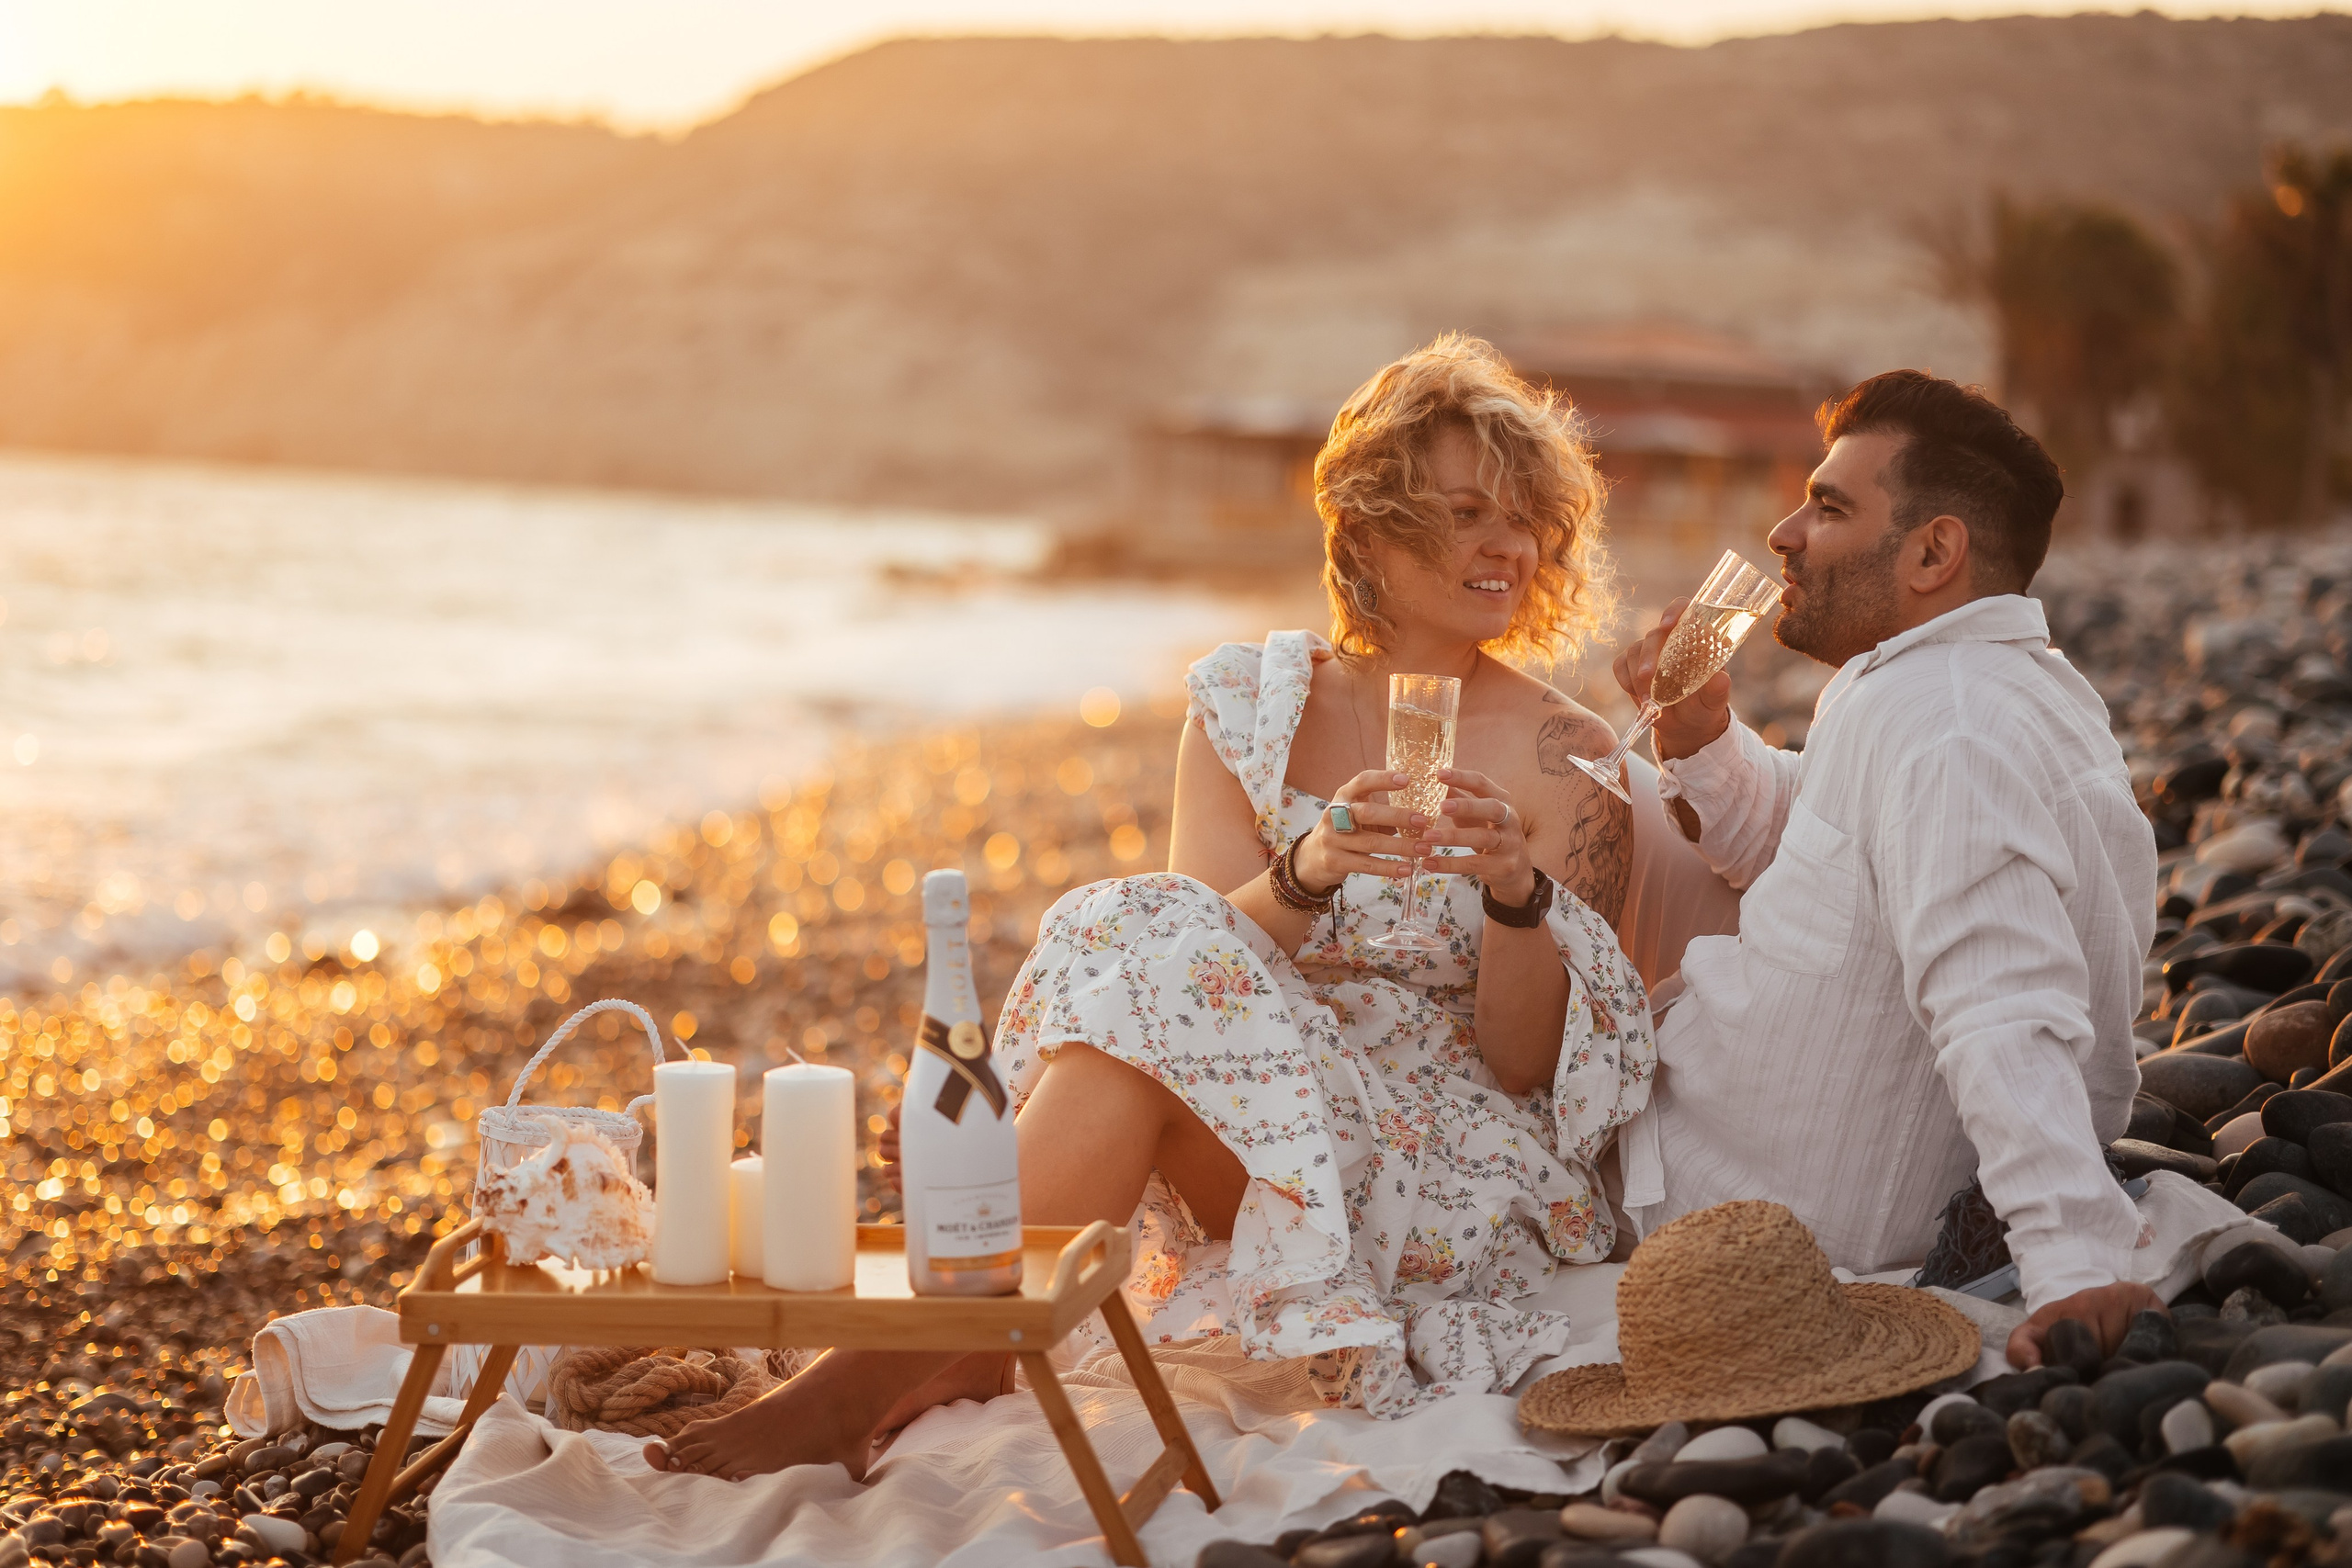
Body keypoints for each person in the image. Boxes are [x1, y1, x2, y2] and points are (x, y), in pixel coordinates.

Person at [646, 333, 1656, 1479]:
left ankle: (883, 1363)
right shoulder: (1249, 704)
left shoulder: (1569, 757)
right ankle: (948, 1338)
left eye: (1526, 519)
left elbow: (1523, 1070)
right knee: (1147, 948)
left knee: (1136, 1006)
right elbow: (1190, 955)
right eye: (1467, 513)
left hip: (1444, 1160)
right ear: (1371, 533)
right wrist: (1310, 867)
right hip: (1250, 1095)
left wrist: (1514, 894)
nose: (1507, 546)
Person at [1609, 368, 2163, 1371]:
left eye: (1827, 508)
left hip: (1722, 1204)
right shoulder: (1989, 688)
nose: (1783, 533)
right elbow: (1828, 852)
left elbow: (1999, 996)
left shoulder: (1940, 726)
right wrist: (1697, 737)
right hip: (1761, 1155)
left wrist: (2072, 1264)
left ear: (1933, 552)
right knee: (1613, 807)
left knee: (1540, 849)